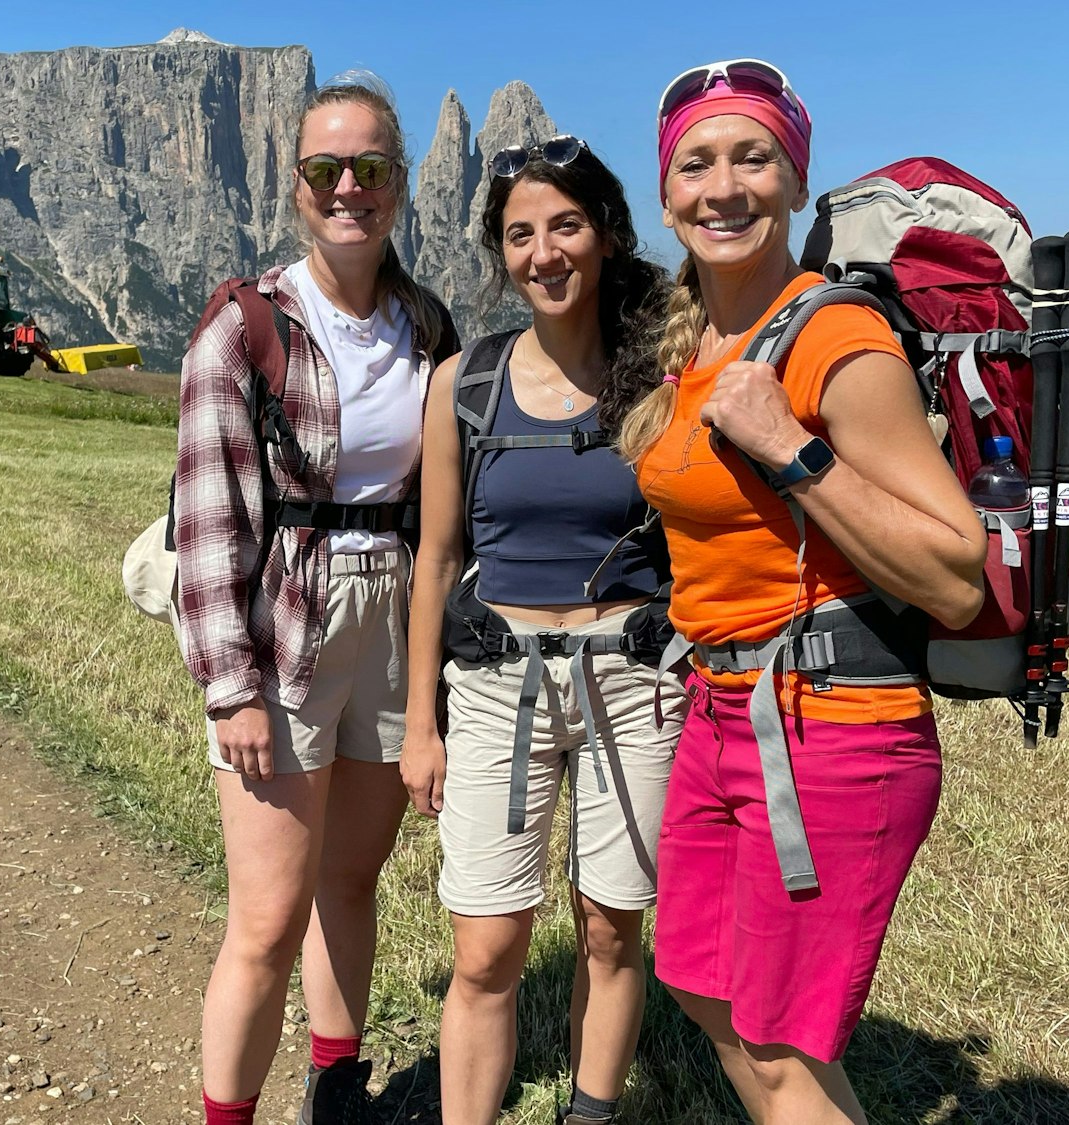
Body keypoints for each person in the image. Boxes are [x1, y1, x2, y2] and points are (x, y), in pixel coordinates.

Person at [621, 60, 987, 1123]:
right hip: (719, 712)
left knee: (778, 1042)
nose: (721, 186)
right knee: (697, 983)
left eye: (751, 157)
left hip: (829, 726)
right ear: (666, 192)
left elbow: (952, 577)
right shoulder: (694, 339)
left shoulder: (834, 337)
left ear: (792, 179)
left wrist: (789, 449)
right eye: (695, 163)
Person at [175, 73, 457, 1125]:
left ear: (398, 184)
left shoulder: (426, 325)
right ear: (295, 187)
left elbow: (440, 505)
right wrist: (230, 689)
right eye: (325, 169)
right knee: (265, 917)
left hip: (391, 618)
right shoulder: (244, 325)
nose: (349, 188)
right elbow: (207, 524)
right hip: (286, 624)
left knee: (350, 880)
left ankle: (334, 1086)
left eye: (371, 169)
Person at [401, 136, 681, 1125]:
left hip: (633, 681)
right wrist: (418, 725)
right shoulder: (463, 385)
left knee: (610, 932)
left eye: (563, 226)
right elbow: (433, 560)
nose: (542, 253)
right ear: (499, 254)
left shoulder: (662, 375)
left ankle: (589, 1113)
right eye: (519, 235)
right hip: (490, 681)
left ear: (605, 235)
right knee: (483, 948)